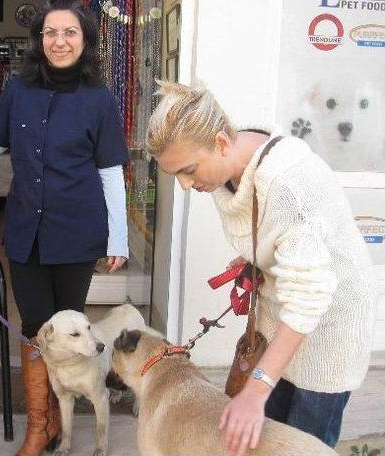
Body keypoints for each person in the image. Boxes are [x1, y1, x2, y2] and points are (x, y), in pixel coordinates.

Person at [147, 82, 377, 455]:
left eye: (188, 170)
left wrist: (256, 388)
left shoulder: (287, 185)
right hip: (284, 318)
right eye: (177, 175)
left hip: (329, 329)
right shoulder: (233, 160)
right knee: (265, 443)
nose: (186, 185)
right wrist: (259, 259)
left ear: (221, 142)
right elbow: (281, 234)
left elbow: (310, 295)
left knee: (302, 444)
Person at [0, 0, 130, 456]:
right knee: (34, 329)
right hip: (26, 230)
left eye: (69, 32)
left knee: (69, 327)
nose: (59, 40)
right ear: (39, 39)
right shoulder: (19, 90)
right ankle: (40, 427)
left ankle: (59, 420)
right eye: (51, 32)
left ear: (84, 40)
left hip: (77, 233)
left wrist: (118, 238)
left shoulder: (100, 100)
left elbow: (110, 173)